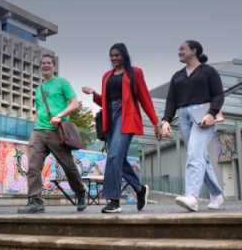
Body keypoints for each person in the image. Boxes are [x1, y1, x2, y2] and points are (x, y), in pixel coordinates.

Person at [82, 43, 162, 213]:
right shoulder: (106, 76)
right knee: (118, 158)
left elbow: (145, 98)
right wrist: (95, 95)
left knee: (114, 155)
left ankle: (114, 200)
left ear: (124, 55)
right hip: (109, 115)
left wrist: (156, 123)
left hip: (126, 116)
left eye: (117, 55)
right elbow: (106, 100)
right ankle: (140, 190)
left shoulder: (135, 72)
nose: (114, 58)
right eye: (111, 55)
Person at [17, 54, 87, 214]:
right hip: (39, 132)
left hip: (58, 131)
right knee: (33, 167)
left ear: (54, 67)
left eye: (49, 63)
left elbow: (74, 104)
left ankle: (80, 191)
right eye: (43, 63)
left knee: (68, 166)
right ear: (40, 67)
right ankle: (35, 202)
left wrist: (59, 116)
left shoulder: (62, 82)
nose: (46, 65)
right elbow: (39, 110)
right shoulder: (38, 89)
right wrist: (34, 129)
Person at [162, 40, 224, 212]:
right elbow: (171, 100)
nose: (179, 52)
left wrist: (211, 114)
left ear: (194, 51)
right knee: (200, 157)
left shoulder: (209, 71)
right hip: (183, 116)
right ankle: (216, 193)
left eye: (182, 49)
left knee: (194, 153)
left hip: (204, 115)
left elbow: (219, 95)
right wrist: (166, 120)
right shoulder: (177, 75)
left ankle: (192, 197)